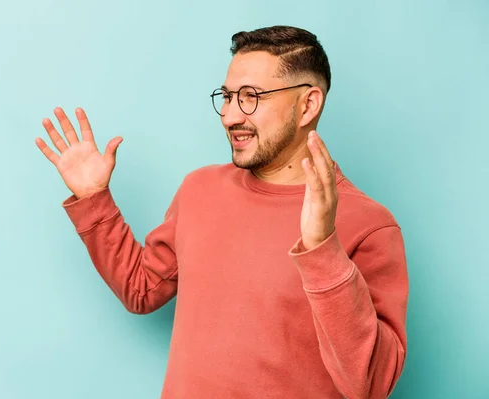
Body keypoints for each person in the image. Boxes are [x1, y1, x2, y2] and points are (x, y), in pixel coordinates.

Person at [35, 25, 409, 399]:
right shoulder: (200, 189)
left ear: (307, 105)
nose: (229, 116)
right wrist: (94, 198)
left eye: (250, 97)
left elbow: (370, 385)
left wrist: (322, 249)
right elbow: (141, 289)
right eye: (227, 97)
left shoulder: (369, 225)